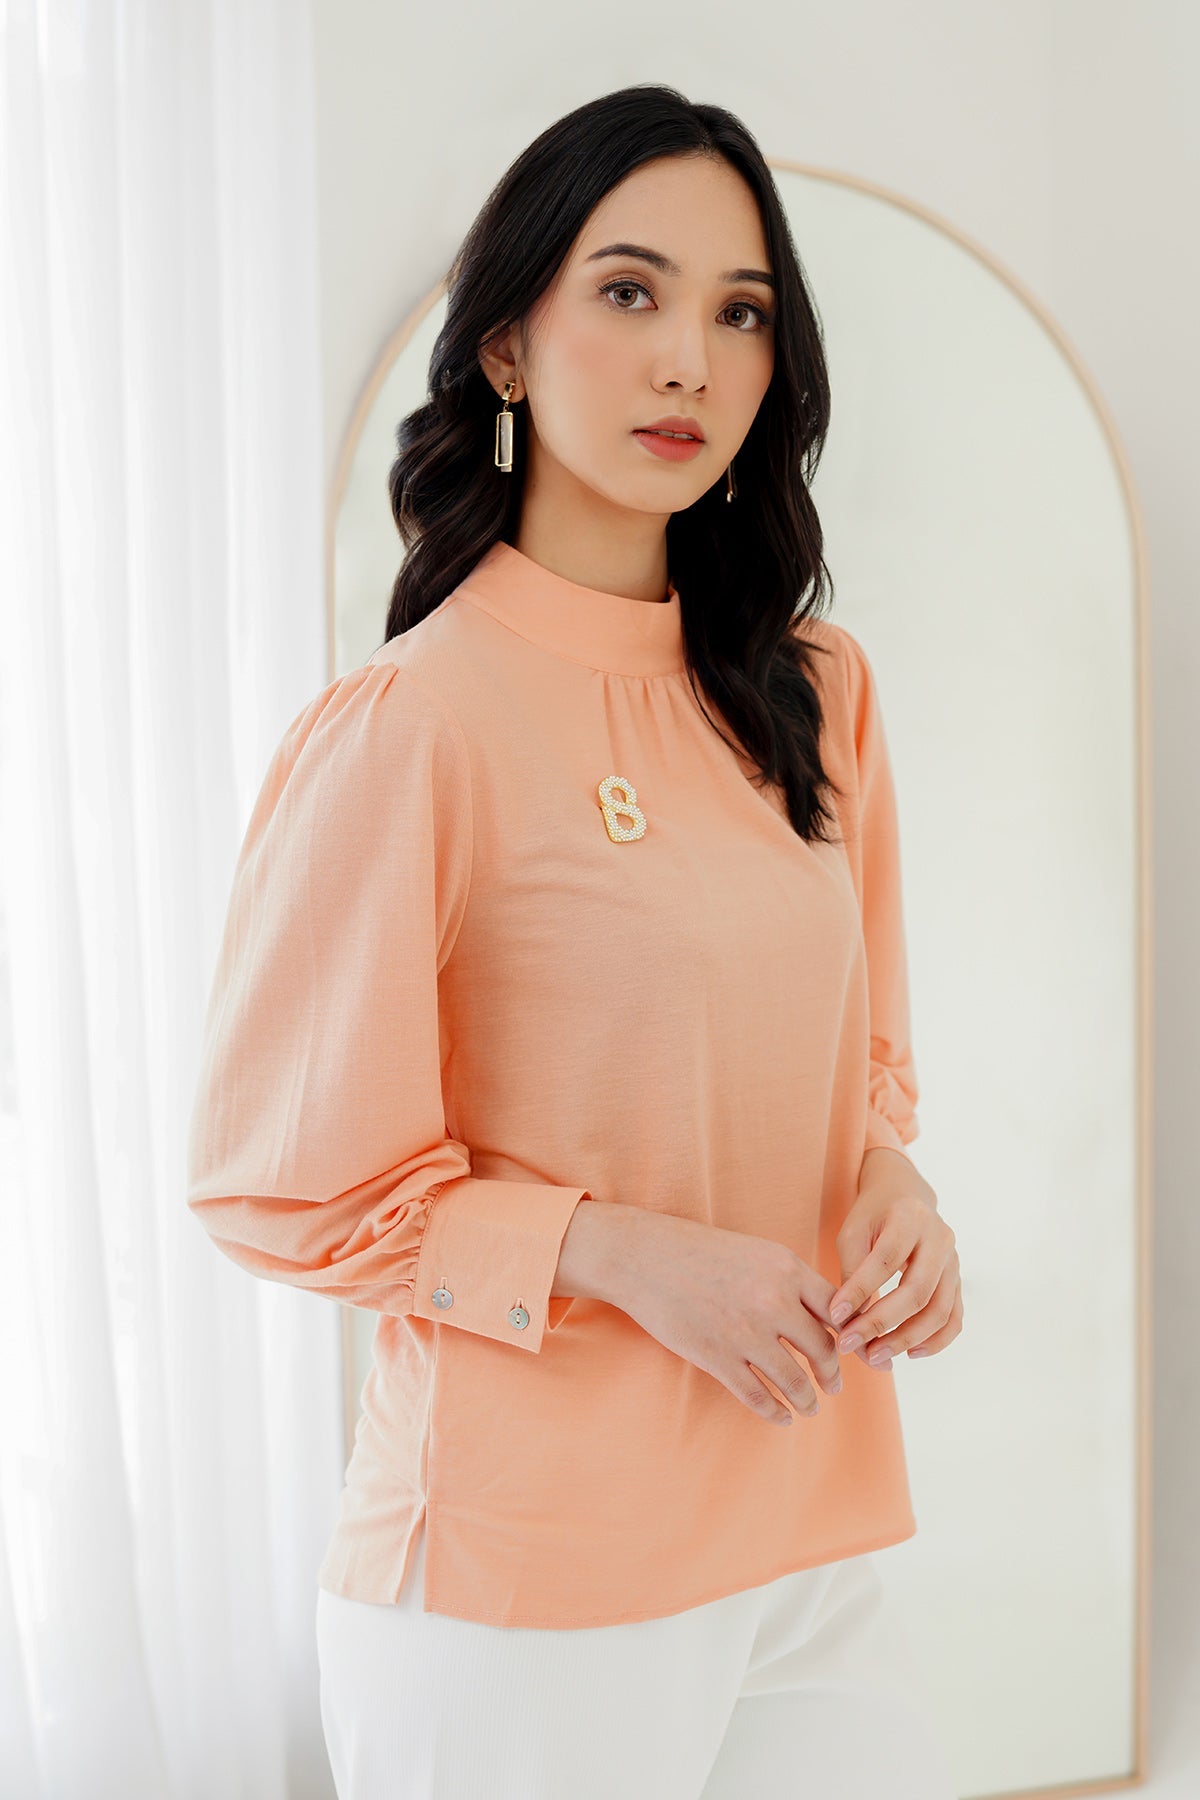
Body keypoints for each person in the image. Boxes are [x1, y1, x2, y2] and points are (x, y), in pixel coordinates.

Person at [186, 82, 963, 1800]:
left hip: (804, 1529)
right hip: (523, 1581)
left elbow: (859, 1076)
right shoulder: (417, 725)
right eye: (629, 291)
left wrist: (892, 1189)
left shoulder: (817, 697)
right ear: (508, 351)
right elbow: (278, 1187)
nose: (690, 358)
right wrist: (622, 1254)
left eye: (740, 313)